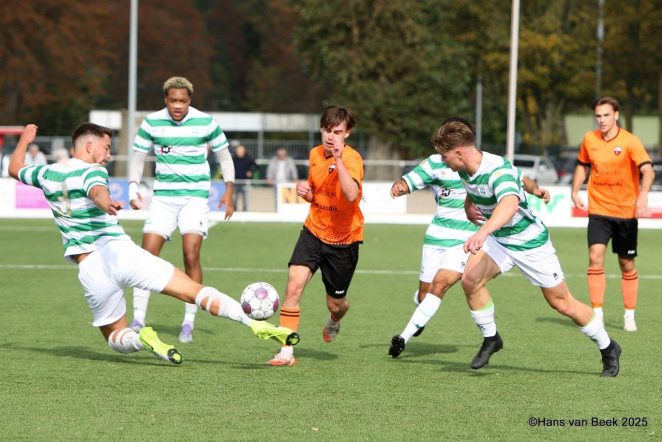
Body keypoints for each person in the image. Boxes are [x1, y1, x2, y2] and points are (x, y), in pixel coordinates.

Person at [8, 123, 299, 364]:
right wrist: (105, 202)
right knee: (193, 291)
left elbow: (15, 168)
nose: (108, 154)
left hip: (90, 267)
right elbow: (96, 191)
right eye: (106, 148)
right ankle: (253, 323)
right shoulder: (93, 171)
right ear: (88, 145)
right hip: (120, 253)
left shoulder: (46, 173)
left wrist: (23, 141)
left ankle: (142, 339)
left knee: (115, 337)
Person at [431, 119, 621, 377]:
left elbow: (509, 204)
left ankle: (608, 348)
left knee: (562, 303)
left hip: (529, 242)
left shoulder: (497, 170)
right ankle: (491, 339)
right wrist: (470, 206)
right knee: (470, 280)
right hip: (500, 240)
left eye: (444, 157)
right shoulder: (465, 168)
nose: (443, 162)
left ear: (459, 153)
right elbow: (522, 180)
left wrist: (482, 232)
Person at [388, 120, 551, 358]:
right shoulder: (436, 162)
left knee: (442, 284)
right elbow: (410, 180)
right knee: (425, 295)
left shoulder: (485, 164)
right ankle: (420, 313)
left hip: (467, 239)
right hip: (437, 237)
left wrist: (536, 190)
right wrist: (400, 186)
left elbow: (520, 179)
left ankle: (403, 337)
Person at [128, 76, 235, 343]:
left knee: (191, 255)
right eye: (173, 101)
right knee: (146, 256)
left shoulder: (206, 122)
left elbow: (224, 157)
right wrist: (132, 188)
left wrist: (229, 190)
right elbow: (138, 158)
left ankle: (188, 321)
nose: (178, 106)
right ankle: (138, 318)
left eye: (183, 101)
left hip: (195, 198)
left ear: (190, 100)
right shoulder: (151, 122)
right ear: (166, 99)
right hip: (163, 198)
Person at [268, 105, 363, 367]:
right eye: (327, 130)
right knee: (293, 286)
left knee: (335, 304)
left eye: (337, 132)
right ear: (321, 130)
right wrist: (307, 194)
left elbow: (351, 195)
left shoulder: (352, 159)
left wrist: (338, 160)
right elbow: (317, 192)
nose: (331, 137)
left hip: (343, 241)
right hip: (313, 231)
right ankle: (286, 351)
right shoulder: (314, 154)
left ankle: (335, 319)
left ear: (347, 133)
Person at [571, 96, 655, 332]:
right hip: (599, 210)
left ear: (616, 115)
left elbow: (648, 170)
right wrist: (575, 189)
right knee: (595, 256)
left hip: (626, 212)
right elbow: (582, 164)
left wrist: (643, 195)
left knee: (626, 263)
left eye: (606, 115)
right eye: (598, 116)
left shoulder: (630, 141)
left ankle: (629, 315)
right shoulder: (590, 139)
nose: (602, 120)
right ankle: (597, 314)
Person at [232, 143, 257, 211]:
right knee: (234, 198)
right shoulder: (233, 159)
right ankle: (234, 211)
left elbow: (256, 166)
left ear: (244, 151)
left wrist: (251, 171)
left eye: (241, 150)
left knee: (246, 198)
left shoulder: (249, 158)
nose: (240, 152)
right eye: (238, 150)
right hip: (236, 181)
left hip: (245, 181)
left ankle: (245, 211)